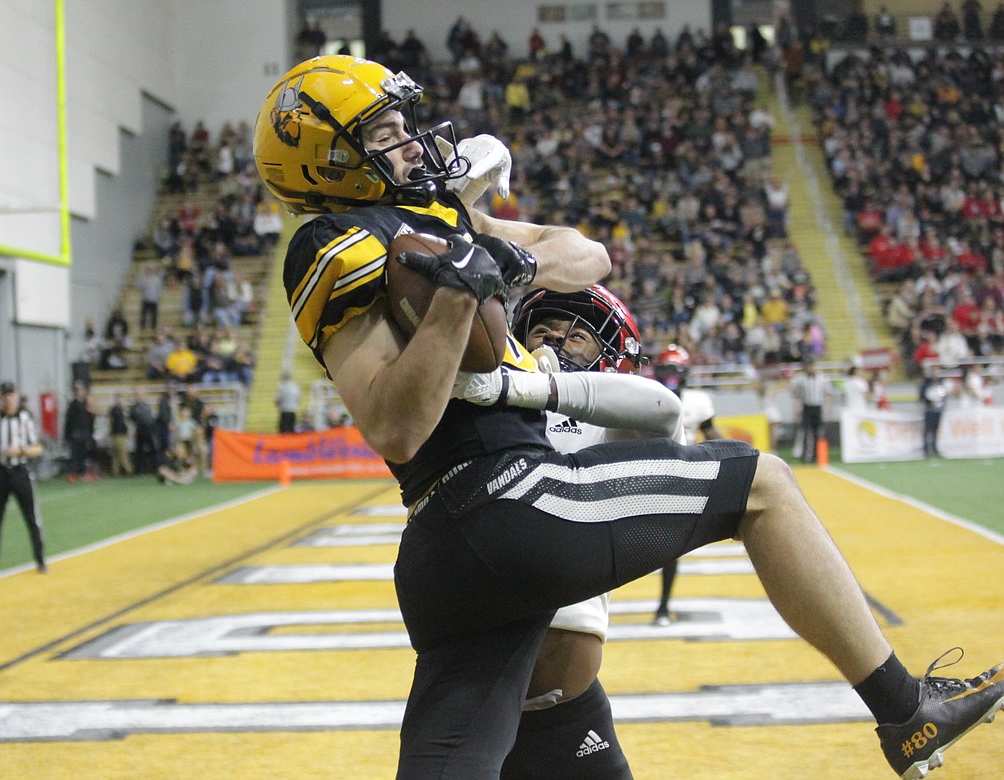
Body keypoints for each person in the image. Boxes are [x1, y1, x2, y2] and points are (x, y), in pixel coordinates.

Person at [254, 55, 1003, 780]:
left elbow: (587, 258)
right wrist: (455, 302)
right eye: (384, 134)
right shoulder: (334, 246)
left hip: (452, 555)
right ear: (326, 161)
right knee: (765, 484)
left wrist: (498, 258)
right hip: (504, 496)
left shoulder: (433, 218)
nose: (411, 142)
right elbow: (394, 427)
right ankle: (906, 709)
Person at [502, 284, 670, 779]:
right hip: (474, 701)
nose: (554, 343)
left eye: (577, 336)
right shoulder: (485, 405)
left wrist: (547, 390)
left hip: (569, 708)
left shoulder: (613, 421)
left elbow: (663, 411)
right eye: (542, 331)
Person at [649, 344, 724, 627]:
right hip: (650, 471)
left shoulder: (697, 400)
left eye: (675, 370)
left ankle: (664, 606)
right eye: (666, 370)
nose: (670, 376)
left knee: (671, 547)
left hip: (681, 477)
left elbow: (710, 432)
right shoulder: (647, 396)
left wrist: (733, 450)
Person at [0, 381, 46, 575]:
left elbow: (38, 448)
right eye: (5, 395)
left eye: (11, 395)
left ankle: (40, 559)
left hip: (19, 471)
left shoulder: (25, 418)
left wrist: (20, 451)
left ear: (16, 396)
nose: (8, 399)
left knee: (31, 517)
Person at [790, 356, 829, 463]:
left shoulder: (822, 378)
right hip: (807, 407)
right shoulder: (800, 379)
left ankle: (816, 455)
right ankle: (805, 455)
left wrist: (829, 409)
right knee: (806, 431)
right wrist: (797, 409)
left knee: (818, 432)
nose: (810, 368)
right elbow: (796, 395)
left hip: (818, 406)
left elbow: (828, 393)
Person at [62, 383, 96, 482]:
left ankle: (82, 473)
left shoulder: (86, 405)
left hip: (85, 434)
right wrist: (68, 434)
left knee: (83, 454)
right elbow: (69, 421)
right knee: (74, 455)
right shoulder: (72, 405)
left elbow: (90, 421)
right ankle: (72, 474)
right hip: (76, 434)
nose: (80, 392)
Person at [920, 363, 949, 458]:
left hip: (938, 410)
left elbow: (944, 395)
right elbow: (922, 395)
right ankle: (926, 449)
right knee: (928, 430)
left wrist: (941, 402)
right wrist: (930, 400)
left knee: (935, 430)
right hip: (929, 410)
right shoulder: (926, 383)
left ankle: (935, 448)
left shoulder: (941, 382)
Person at [107, 393, 133, 476]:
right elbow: (110, 421)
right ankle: (129, 470)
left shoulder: (124, 410)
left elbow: (127, 422)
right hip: (117, 433)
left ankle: (115, 471)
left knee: (117, 453)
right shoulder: (114, 410)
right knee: (122, 452)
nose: (120, 401)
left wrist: (127, 431)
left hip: (121, 433)